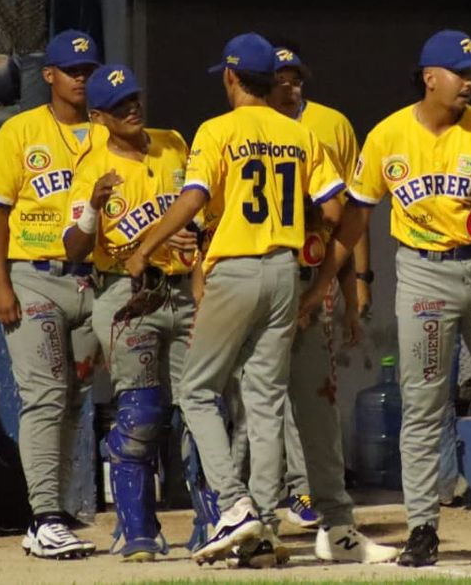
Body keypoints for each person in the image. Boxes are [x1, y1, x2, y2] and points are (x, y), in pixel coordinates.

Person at [301, 29, 471, 567]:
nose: (470, 81)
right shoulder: (386, 136)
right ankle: (423, 526)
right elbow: (358, 215)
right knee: (424, 406)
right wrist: (325, 286)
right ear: (430, 77)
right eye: (461, 71)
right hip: (423, 277)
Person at [122, 32, 383, 567]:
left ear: (231, 77)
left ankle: (235, 505)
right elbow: (337, 211)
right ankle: (262, 526)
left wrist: (145, 246)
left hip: (236, 269)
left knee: (195, 390)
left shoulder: (217, 129)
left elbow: (194, 197)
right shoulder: (298, 132)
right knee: (265, 401)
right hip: (287, 273)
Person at [63, 64, 200, 561]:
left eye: (135, 99)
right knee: (142, 413)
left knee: (202, 410)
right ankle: (138, 528)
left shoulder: (174, 143)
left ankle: (209, 523)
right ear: (98, 116)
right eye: (119, 105)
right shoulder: (90, 165)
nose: (132, 108)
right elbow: (75, 248)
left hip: (183, 290)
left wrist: (194, 233)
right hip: (125, 294)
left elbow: (200, 208)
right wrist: (93, 208)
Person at [0, 29, 102, 559]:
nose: (81, 78)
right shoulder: (20, 131)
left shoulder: (106, 131)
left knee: (75, 400)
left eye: (88, 70)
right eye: (72, 70)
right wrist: (0, 281)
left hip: (95, 281)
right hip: (34, 275)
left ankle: (57, 509)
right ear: (48, 74)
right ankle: (44, 516)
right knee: (45, 397)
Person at [266, 45, 364, 530]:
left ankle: (312, 488)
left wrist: (356, 285)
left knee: (314, 383)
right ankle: (282, 491)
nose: (292, 85)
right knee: (266, 390)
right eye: (281, 77)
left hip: (317, 265)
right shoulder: (248, 126)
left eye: (296, 78)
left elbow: (352, 213)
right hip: (264, 266)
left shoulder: (332, 125)